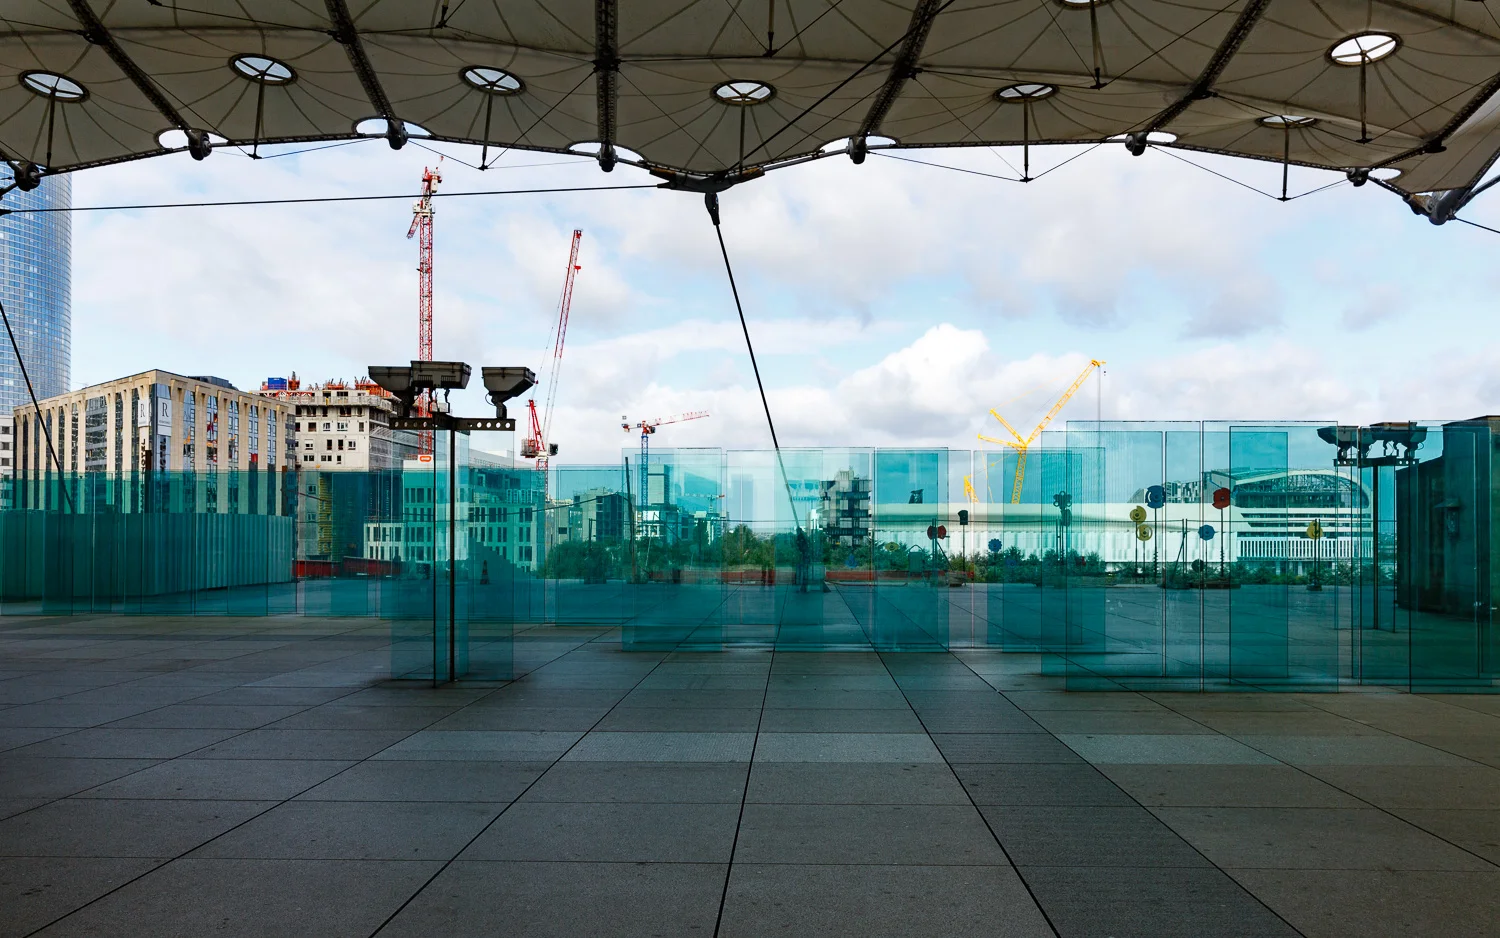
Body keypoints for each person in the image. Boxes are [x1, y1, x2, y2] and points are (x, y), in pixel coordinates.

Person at [795, 526, 811, 593]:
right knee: (804, 572)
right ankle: (803, 587)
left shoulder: (801, 538)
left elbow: (801, 547)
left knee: (803, 572)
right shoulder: (803, 537)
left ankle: (803, 587)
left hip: (804, 557)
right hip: (804, 557)